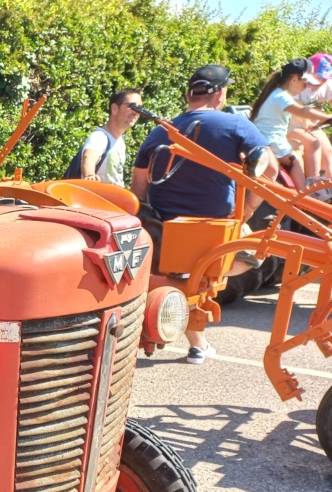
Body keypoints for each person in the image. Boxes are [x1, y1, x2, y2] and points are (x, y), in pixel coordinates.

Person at [131, 64, 277, 364]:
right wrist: (246, 214)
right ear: (221, 94)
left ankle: (194, 332)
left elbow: (139, 185)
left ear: (189, 94)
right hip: (216, 233)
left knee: (184, 277)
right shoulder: (237, 126)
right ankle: (192, 308)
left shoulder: (161, 129)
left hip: (165, 232)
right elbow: (269, 171)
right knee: (256, 255)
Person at [250, 58, 328, 196]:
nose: (307, 87)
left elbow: (301, 116)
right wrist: (328, 117)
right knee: (295, 161)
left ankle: (309, 188)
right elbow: (302, 111)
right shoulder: (281, 96)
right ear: (294, 79)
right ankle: (304, 198)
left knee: (299, 148)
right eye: (305, 83)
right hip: (271, 141)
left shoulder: (277, 93)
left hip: (270, 138)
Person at [287, 53, 332, 200]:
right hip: (288, 124)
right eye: (318, 76)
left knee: (328, 150)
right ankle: (312, 189)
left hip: (310, 124)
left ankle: (327, 188)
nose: (320, 81)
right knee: (312, 144)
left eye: (324, 78)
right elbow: (297, 114)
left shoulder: (326, 85)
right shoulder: (297, 85)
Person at [75, 90, 143, 186]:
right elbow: (88, 156)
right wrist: (89, 175)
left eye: (140, 108)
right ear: (114, 108)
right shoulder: (100, 137)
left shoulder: (120, 141)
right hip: (98, 198)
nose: (136, 112)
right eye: (132, 106)